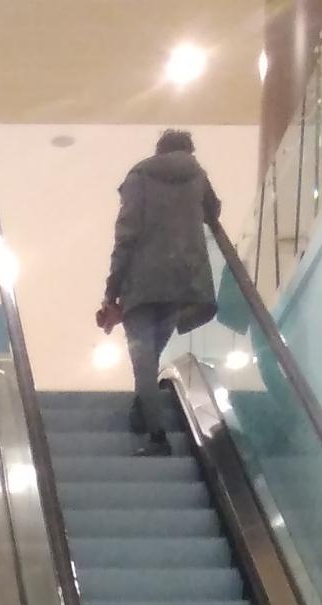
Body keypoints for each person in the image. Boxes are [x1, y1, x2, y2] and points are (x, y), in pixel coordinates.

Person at [102, 128, 222, 455]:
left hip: (142, 284)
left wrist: (111, 290)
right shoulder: (197, 175)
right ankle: (142, 408)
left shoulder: (140, 176)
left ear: (159, 150)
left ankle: (157, 438)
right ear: (188, 151)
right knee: (151, 354)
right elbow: (213, 211)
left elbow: (126, 235)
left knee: (142, 359)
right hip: (182, 282)